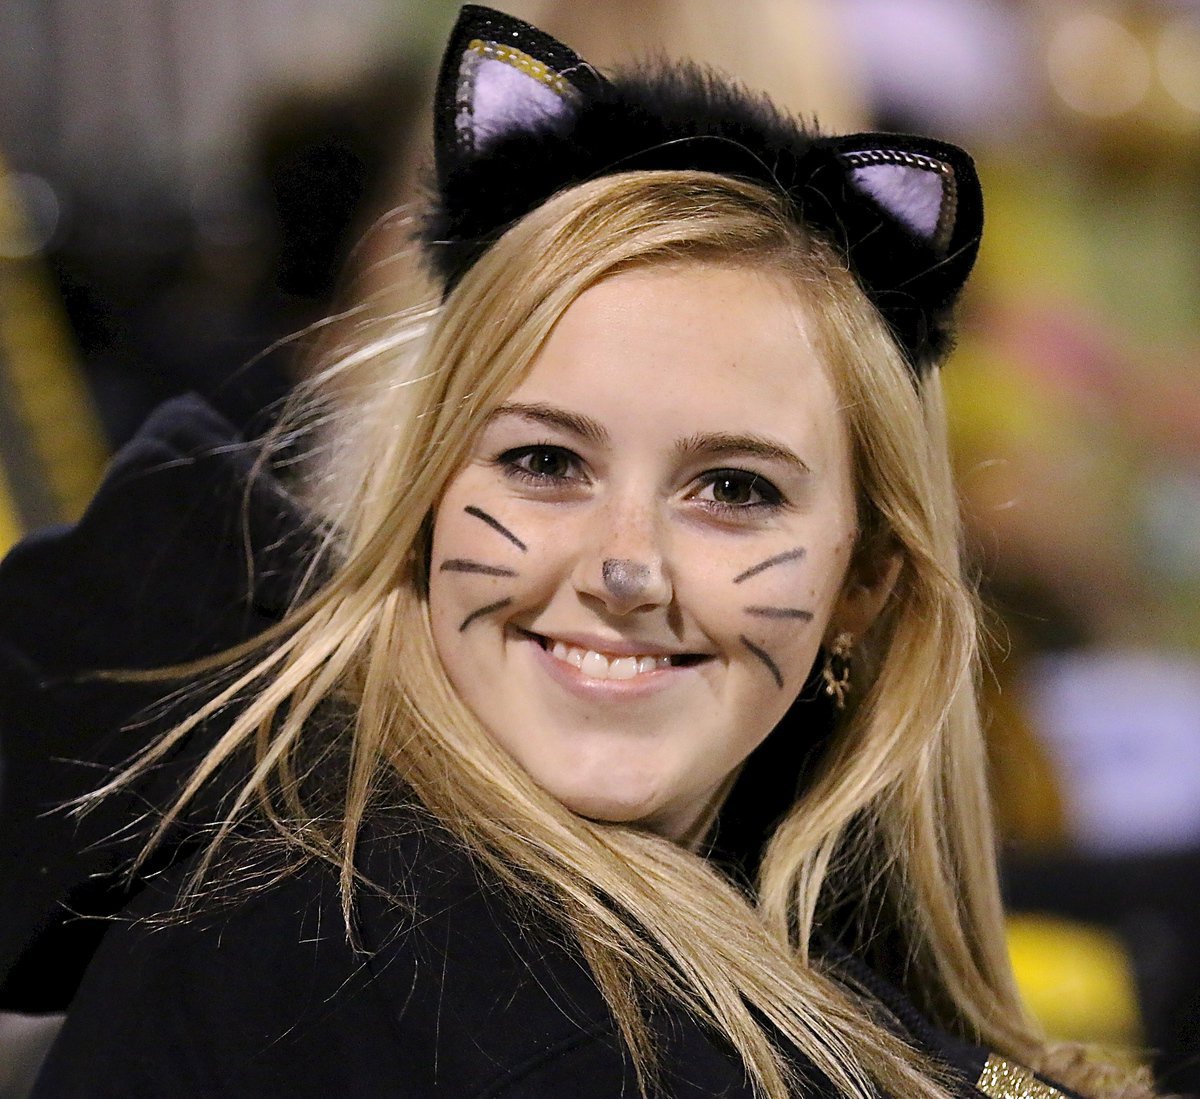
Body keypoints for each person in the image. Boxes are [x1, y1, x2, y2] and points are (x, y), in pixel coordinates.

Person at [0, 6, 1158, 1098]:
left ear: (863, 585)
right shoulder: (383, 946)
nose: (624, 565)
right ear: (423, 502)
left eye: (733, 488)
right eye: (546, 463)